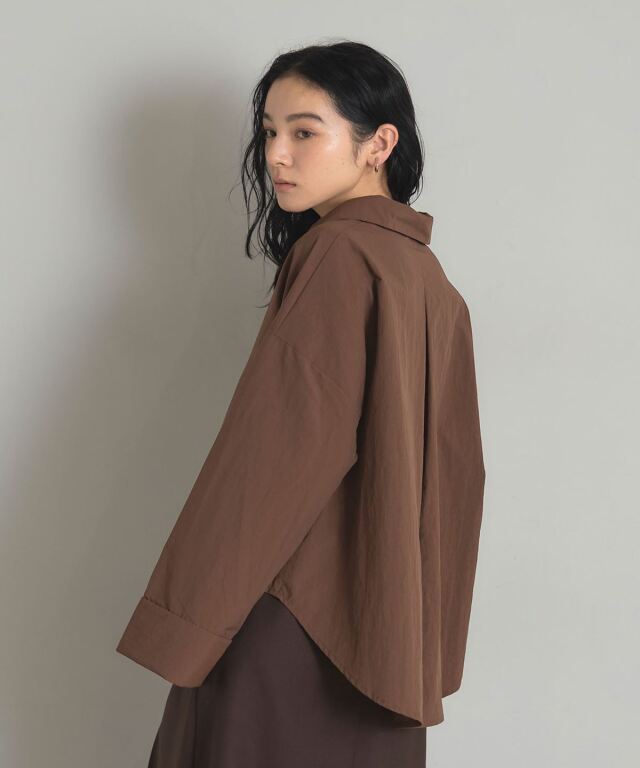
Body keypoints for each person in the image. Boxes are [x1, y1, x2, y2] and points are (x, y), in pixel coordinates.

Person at [116, 40, 486, 767]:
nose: (276, 156)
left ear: (380, 143)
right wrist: (421, 640)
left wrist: (188, 623)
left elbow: (274, 454)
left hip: (292, 617)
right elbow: (458, 476)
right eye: (269, 133)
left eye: (304, 132)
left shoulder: (337, 253)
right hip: (380, 635)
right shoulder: (428, 280)